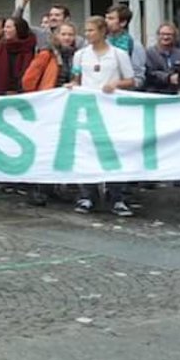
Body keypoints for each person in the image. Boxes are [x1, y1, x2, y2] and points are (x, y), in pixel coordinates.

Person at [69, 16, 136, 217]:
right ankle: (87, 195)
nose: (87, 34)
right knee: (87, 151)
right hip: (88, 110)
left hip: (112, 111)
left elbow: (131, 80)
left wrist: (115, 84)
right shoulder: (80, 55)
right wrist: (73, 85)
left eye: (91, 30)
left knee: (113, 152)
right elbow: (76, 78)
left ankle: (116, 196)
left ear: (102, 32)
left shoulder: (118, 54)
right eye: (86, 30)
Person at [0, 17, 36, 95]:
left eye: (8, 27)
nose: (5, 30)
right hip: (2, 95)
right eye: (5, 27)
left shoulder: (32, 47)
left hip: (26, 95)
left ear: (18, 29)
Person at [144, 22, 180, 95]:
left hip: (175, 95)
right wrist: (168, 78)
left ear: (174, 37)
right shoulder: (149, 53)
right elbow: (149, 73)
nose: (165, 37)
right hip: (155, 94)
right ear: (158, 36)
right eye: (162, 34)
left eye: (169, 34)